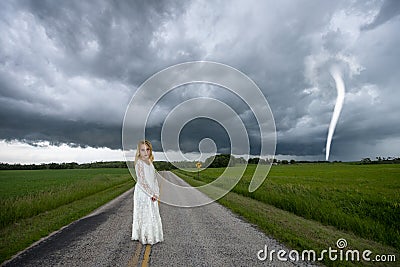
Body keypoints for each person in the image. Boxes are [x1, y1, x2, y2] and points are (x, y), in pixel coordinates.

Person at [131, 140, 163, 245]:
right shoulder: (139, 163)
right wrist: (150, 194)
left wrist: (156, 193)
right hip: (142, 192)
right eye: (143, 150)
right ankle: (145, 236)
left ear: (150, 150)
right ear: (139, 151)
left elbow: (154, 179)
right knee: (145, 213)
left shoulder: (150, 162)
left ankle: (153, 235)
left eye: (147, 149)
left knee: (152, 212)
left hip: (151, 192)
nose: (145, 152)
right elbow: (142, 181)